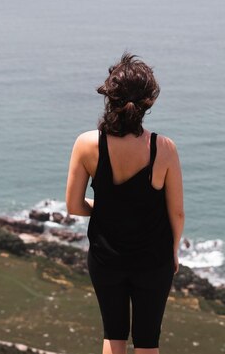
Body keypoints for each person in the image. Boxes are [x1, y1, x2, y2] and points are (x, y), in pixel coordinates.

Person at [65, 52, 185, 354]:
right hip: (153, 259)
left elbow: (74, 206)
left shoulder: (87, 144)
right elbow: (177, 213)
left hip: (106, 258)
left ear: (109, 95)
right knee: (147, 342)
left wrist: (105, 210)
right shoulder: (164, 148)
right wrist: (173, 250)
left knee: (113, 336)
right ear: (150, 101)